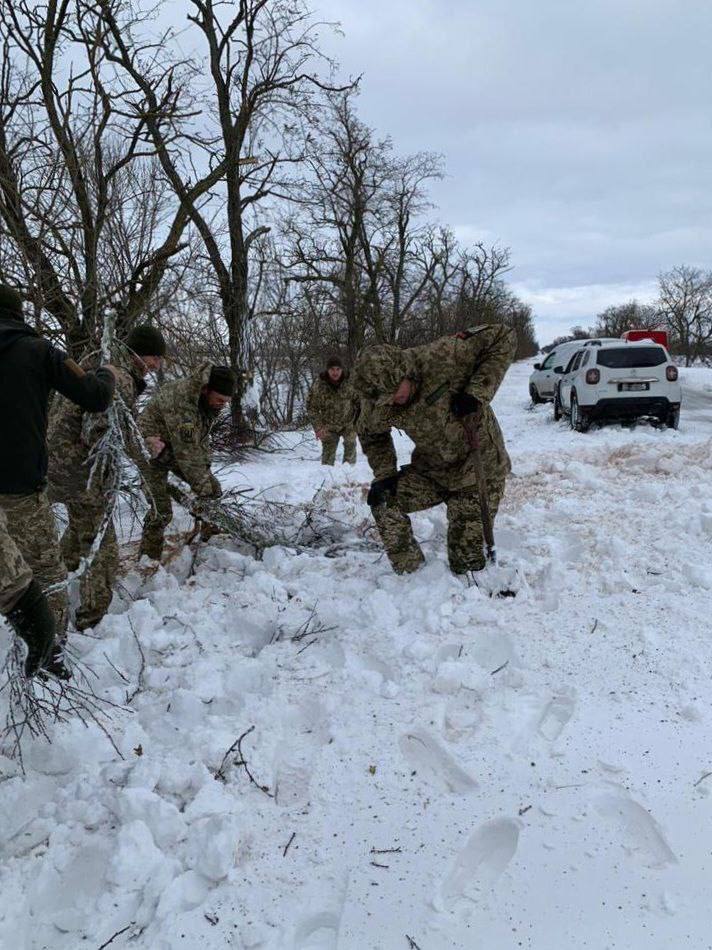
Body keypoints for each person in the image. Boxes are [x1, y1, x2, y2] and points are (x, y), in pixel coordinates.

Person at [0, 284, 116, 676]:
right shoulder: (38, 351)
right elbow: (96, 396)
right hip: (20, 490)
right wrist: (106, 372)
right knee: (45, 574)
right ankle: (50, 658)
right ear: (18, 314)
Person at [351, 324, 516, 576]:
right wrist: (385, 475)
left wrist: (476, 393)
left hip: (477, 468)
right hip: (432, 471)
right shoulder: (380, 397)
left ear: (405, 372)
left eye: (395, 393)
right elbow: (371, 432)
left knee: (467, 567)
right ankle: (412, 576)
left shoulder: (443, 356)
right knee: (382, 501)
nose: (393, 402)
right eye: (386, 399)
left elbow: (503, 336)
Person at [47, 325, 166, 630]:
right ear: (140, 354)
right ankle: (92, 619)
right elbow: (99, 429)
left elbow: (113, 422)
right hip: (83, 472)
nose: (157, 366)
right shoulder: (120, 377)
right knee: (103, 547)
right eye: (155, 358)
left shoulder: (101, 366)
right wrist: (142, 451)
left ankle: (49, 584)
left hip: (59, 466)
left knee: (80, 529)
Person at [138, 362, 235, 561]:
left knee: (213, 489)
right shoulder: (182, 401)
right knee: (161, 511)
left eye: (226, 401)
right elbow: (188, 452)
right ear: (207, 389)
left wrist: (206, 475)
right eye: (219, 399)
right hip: (150, 448)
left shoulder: (205, 401)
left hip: (172, 448)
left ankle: (209, 541)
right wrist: (202, 487)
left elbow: (200, 441)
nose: (222, 405)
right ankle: (148, 561)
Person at [306, 356, 358, 466]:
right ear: (327, 370)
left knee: (351, 446)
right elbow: (312, 408)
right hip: (328, 425)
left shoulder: (350, 383)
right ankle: (328, 480)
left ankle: (349, 478)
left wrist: (358, 421)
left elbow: (360, 402)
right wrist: (318, 427)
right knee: (327, 461)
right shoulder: (319, 385)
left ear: (342, 369)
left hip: (348, 424)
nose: (335, 372)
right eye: (332, 369)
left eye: (338, 369)